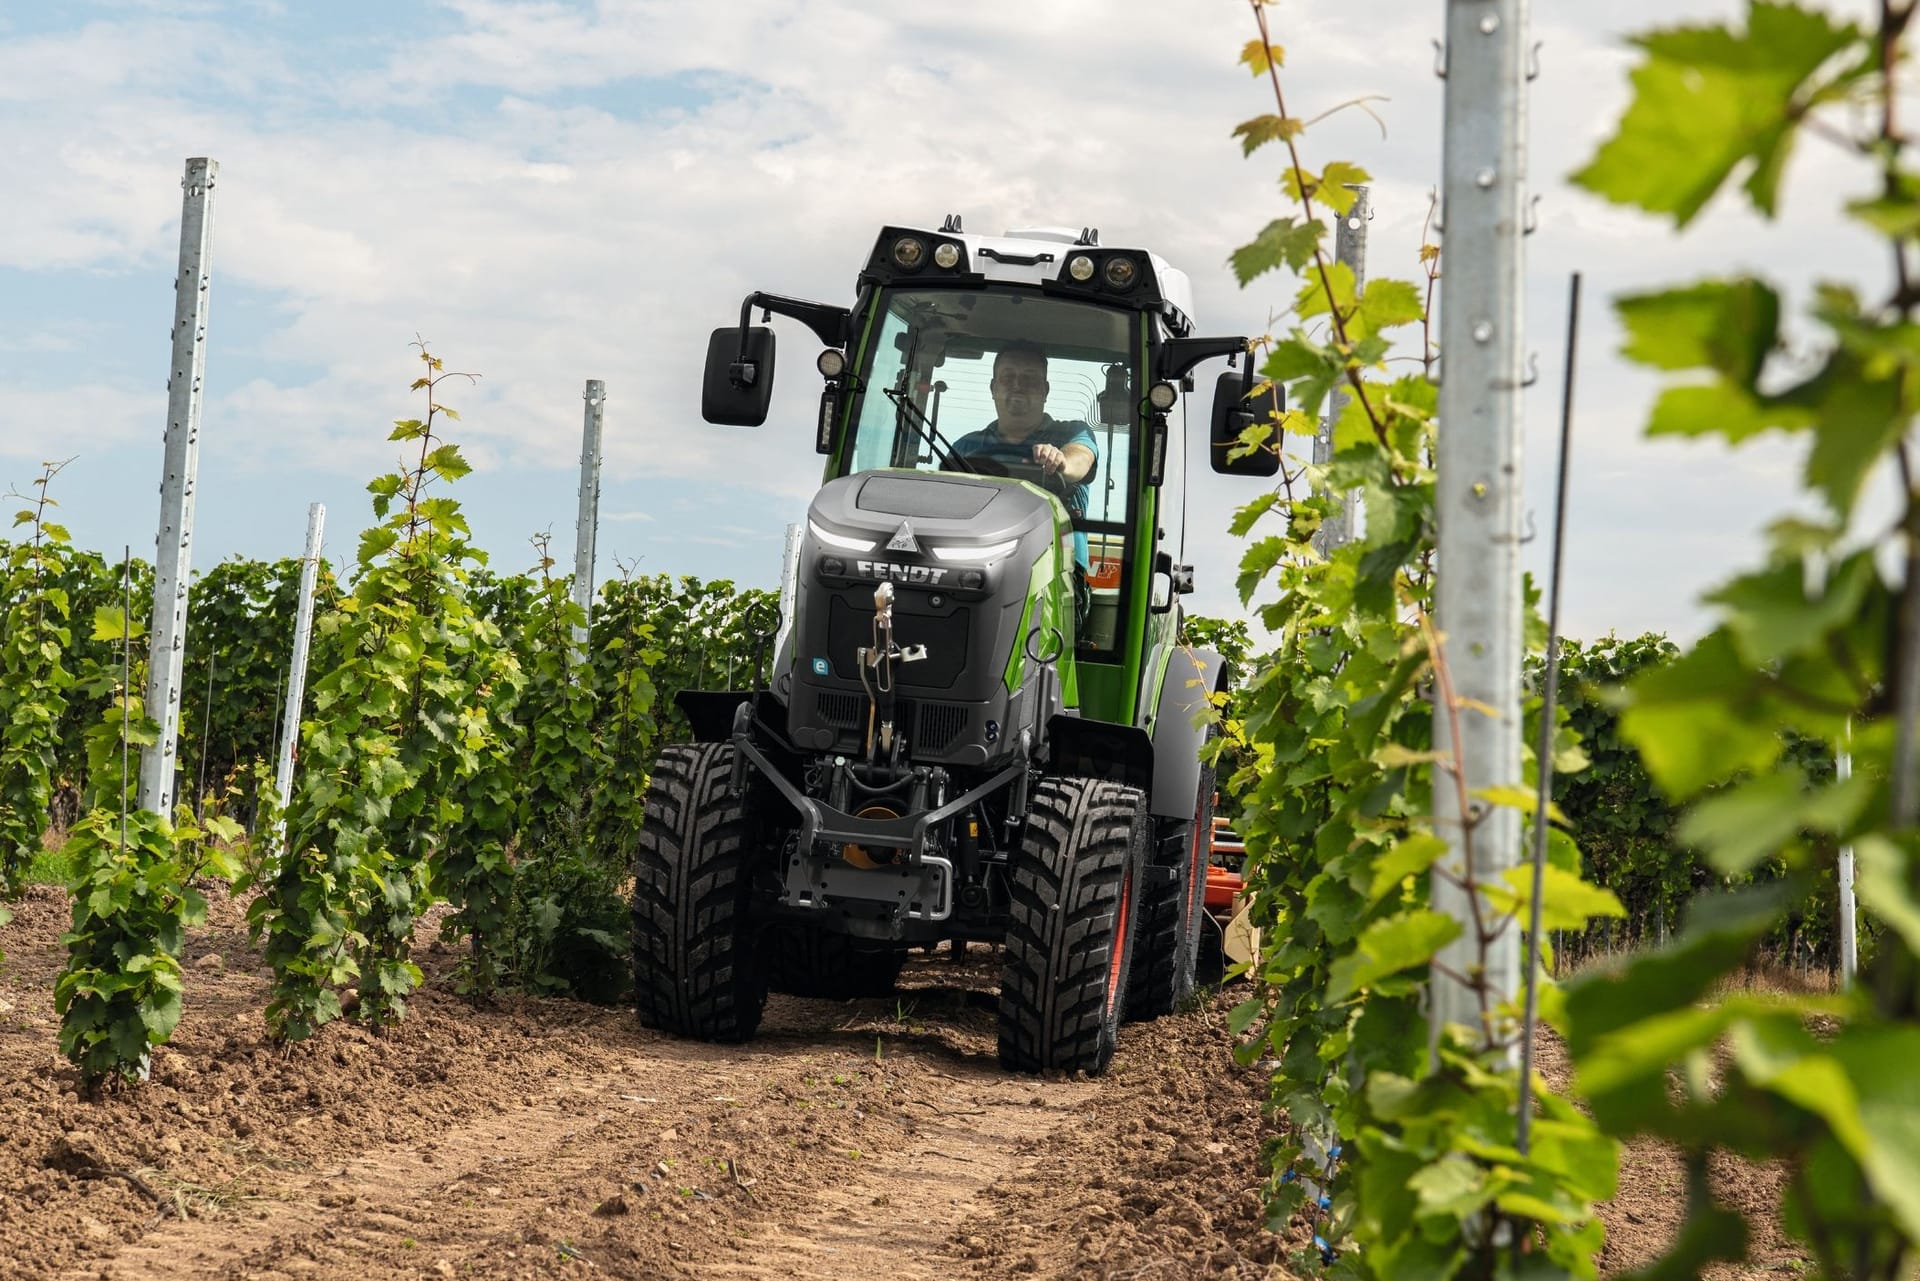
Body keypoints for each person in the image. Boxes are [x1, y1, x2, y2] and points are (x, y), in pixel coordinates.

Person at [950, 341, 1098, 573]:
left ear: (1045, 391)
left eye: (1030, 379)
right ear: (993, 388)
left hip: (1060, 573)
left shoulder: (1072, 433)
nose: (1018, 385)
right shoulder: (965, 447)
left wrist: (1061, 461)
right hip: (979, 565)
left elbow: (1081, 459)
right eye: (1008, 377)